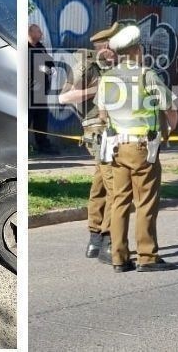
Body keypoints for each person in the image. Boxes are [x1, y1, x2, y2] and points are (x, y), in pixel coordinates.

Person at [96, 25, 178, 273]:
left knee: (119, 201)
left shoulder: (106, 78)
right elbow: (170, 108)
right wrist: (169, 131)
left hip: (116, 147)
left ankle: (119, 258)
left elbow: (102, 115)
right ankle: (147, 256)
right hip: (143, 147)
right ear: (137, 50)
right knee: (145, 202)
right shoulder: (146, 75)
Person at [58, 22, 120, 262]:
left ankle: (94, 239)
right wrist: (96, 90)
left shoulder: (117, 65)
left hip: (116, 129)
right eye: (115, 46)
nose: (118, 51)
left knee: (101, 183)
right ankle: (108, 240)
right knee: (117, 185)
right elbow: (64, 97)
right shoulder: (86, 63)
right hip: (98, 130)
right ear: (105, 46)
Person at [28, 24, 59, 154]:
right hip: (28, 93)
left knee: (41, 120)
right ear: (31, 33)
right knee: (26, 119)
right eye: (39, 31)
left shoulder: (40, 47)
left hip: (41, 93)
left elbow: (49, 63)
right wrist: (43, 68)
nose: (41, 34)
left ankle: (43, 145)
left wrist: (50, 69)